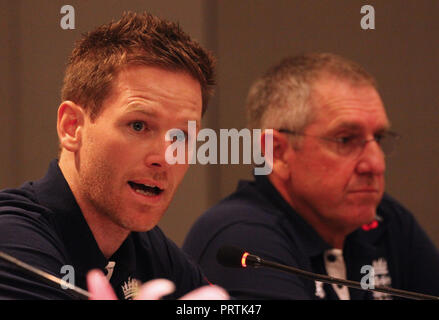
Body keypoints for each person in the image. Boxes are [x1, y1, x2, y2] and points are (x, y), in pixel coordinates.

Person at [0, 11, 228, 300]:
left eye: (181, 136)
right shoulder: (11, 242)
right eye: (138, 125)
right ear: (72, 127)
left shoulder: (152, 252)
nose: (165, 157)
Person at [183, 53, 439, 300]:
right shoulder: (240, 238)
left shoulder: (389, 222)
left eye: (379, 139)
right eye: (345, 139)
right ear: (278, 152)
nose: (375, 164)